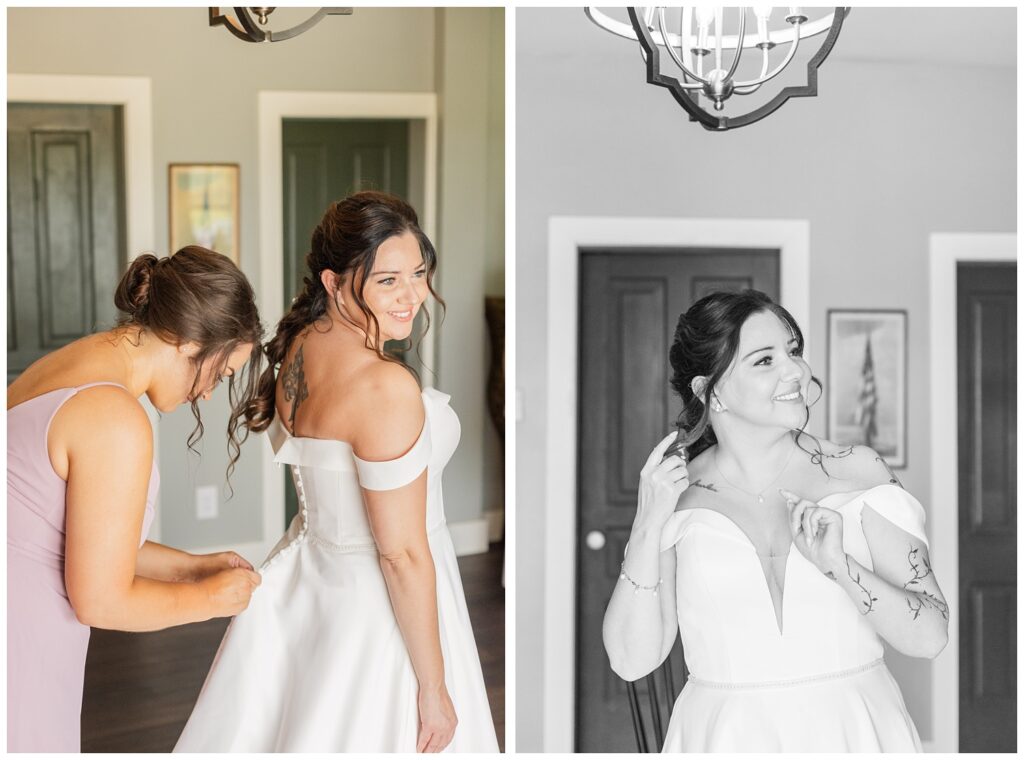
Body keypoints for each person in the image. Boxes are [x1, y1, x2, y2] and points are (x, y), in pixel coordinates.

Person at [174, 191, 499, 753]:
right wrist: (432, 687)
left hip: (313, 579)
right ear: (333, 282)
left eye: (418, 273)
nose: (412, 296)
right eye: (387, 280)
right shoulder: (383, 386)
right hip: (383, 605)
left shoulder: (298, 346)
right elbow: (400, 554)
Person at [603, 289, 947, 752]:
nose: (796, 371)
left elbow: (930, 636)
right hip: (723, 738)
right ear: (710, 390)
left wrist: (840, 567)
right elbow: (630, 659)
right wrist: (646, 526)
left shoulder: (857, 471)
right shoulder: (677, 497)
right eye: (764, 361)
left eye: (793, 351)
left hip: (855, 734)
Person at [7, 246, 265, 753]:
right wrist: (211, 600)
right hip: (20, 645)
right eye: (222, 372)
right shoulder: (114, 417)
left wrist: (191, 568)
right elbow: (100, 599)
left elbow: (66, 535)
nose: (210, 393)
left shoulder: (72, 362)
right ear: (190, 339)